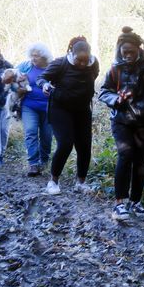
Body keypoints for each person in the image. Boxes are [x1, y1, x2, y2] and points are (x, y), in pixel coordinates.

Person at [98, 27, 144, 221]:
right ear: (120, 50)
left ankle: (136, 202)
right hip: (121, 120)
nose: (128, 55)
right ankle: (119, 203)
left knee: (141, 161)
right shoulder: (115, 69)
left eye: (132, 51)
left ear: (140, 49)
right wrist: (116, 99)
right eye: (125, 51)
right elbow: (103, 92)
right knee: (125, 155)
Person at [37, 36, 99, 195]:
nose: (82, 64)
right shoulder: (61, 63)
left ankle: (81, 182)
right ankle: (53, 181)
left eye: (85, 60)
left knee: (84, 146)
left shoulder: (93, 64)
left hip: (82, 109)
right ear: (72, 54)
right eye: (79, 60)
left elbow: (94, 77)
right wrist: (45, 84)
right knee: (65, 143)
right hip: (60, 108)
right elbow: (42, 77)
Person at [7, 43, 54, 176]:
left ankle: (44, 161)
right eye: (32, 56)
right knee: (31, 131)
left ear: (44, 56)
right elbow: (10, 80)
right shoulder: (25, 66)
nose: (33, 59)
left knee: (46, 136)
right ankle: (33, 164)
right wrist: (17, 85)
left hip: (48, 108)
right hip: (29, 106)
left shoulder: (53, 67)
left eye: (37, 56)